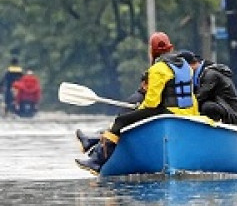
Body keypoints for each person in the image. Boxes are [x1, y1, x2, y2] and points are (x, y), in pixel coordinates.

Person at [75, 31, 198, 174]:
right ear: (171, 48)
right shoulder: (186, 66)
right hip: (187, 113)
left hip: (167, 112)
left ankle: (97, 161)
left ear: (152, 51)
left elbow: (152, 103)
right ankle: (92, 142)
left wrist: (140, 109)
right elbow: (188, 95)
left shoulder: (157, 69)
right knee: (130, 117)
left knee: (121, 120)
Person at [179, 51, 237, 126]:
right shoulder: (197, 76)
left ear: (191, 64)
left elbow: (201, 96)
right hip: (221, 108)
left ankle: (216, 128)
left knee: (207, 107)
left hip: (234, 114)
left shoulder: (211, 74)